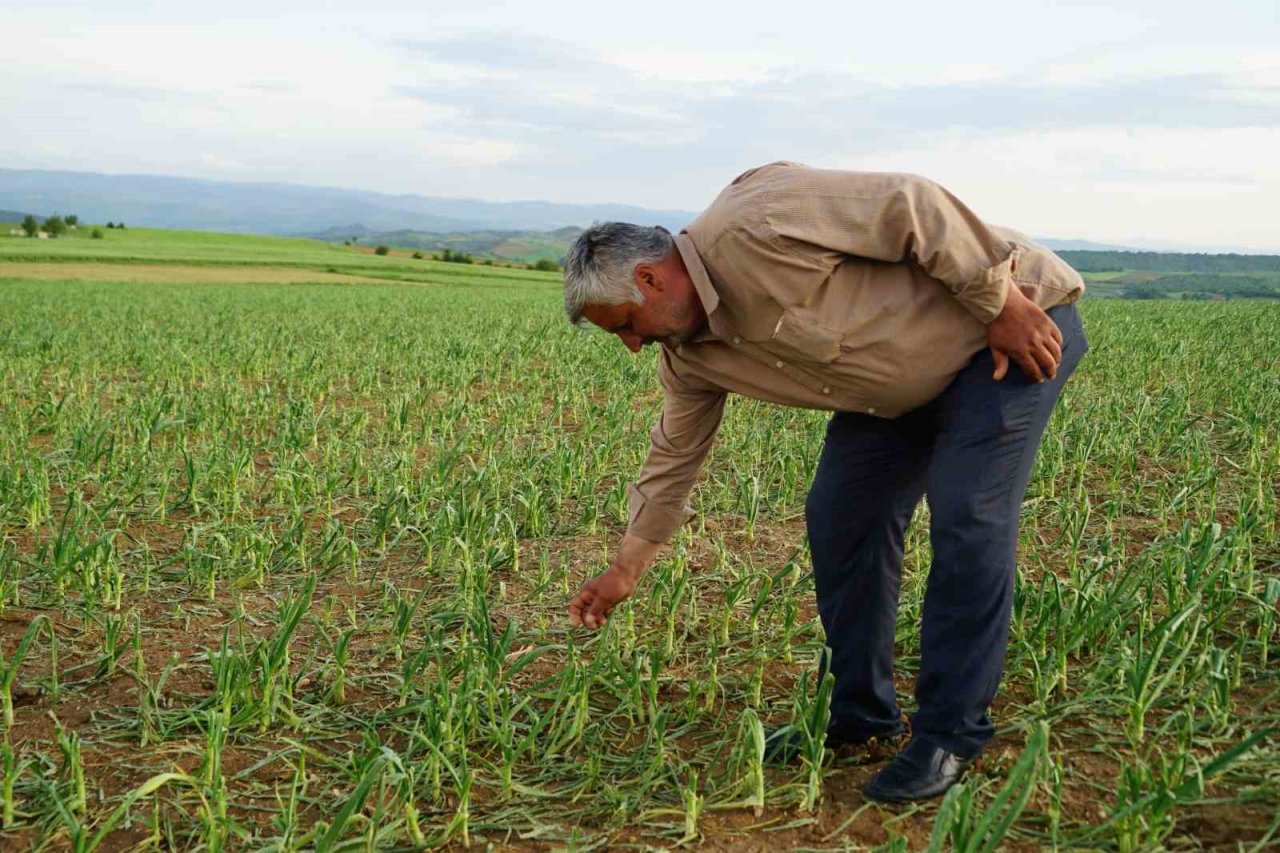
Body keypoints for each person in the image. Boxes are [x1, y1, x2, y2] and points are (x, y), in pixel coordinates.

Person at [562, 161, 1087, 803]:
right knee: (841, 514)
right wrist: (625, 571)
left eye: (624, 325)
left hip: (1004, 335)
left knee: (969, 514)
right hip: (898, 389)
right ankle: (860, 716)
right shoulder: (689, 355)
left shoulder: (754, 221)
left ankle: (950, 734)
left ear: (648, 279)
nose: (632, 346)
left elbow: (911, 203)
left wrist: (1000, 303)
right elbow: (673, 458)